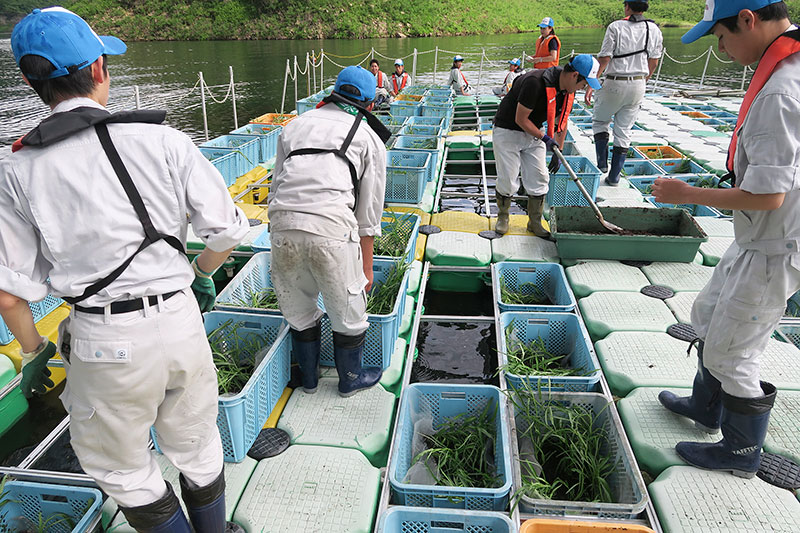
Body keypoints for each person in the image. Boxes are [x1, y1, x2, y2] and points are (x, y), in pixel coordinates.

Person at [0, 7, 249, 533]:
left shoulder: (17, 167)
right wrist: (201, 272)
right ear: (98, 69)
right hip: (180, 321)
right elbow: (227, 230)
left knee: (127, 471)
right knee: (199, 448)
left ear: (28, 81)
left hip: (101, 339)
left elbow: (9, 295)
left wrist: (33, 351)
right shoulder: (164, 139)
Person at [654, 0, 800, 479]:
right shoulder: (786, 65)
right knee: (707, 313)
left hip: (775, 246)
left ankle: (740, 453)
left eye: (720, 37)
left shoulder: (781, 89)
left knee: (733, 352)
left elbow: (769, 196)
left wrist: (687, 192)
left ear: (748, 19)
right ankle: (706, 406)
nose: (720, 49)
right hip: (756, 238)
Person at [267, 65, 391, 398]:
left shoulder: (295, 125)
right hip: (331, 229)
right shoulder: (368, 138)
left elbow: (277, 184)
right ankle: (350, 378)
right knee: (348, 310)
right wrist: (366, 268)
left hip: (282, 226)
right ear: (368, 101)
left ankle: (307, 378)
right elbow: (368, 215)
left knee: (298, 307)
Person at [492, 54, 601, 238]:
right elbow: (520, 119)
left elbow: (562, 122)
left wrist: (557, 150)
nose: (583, 88)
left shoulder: (566, 91)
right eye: (584, 84)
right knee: (508, 177)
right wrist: (545, 138)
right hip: (508, 130)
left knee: (540, 177)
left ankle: (534, 222)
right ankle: (503, 217)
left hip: (535, 133)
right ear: (574, 75)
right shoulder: (534, 82)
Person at [585, 0, 663, 185]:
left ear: (627, 6)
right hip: (638, 84)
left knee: (601, 121)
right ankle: (614, 176)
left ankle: (602, 164)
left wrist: (592, 82)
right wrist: (644, 80)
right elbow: (654, 61)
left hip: (614, 82)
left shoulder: (615, 27)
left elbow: (604, 58)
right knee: (624, 130)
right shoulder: (654, 29)